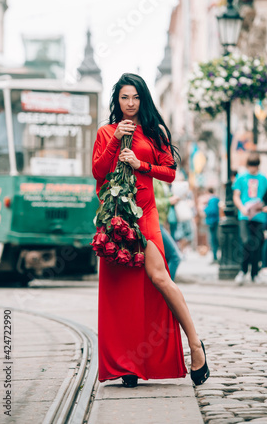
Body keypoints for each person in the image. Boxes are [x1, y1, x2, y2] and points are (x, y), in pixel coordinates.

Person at [92, 73, 209, 388]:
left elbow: (170, 173)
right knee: (123, 290)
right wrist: (116, 140)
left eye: (136, 98)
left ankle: (196, 346)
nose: (130, 104)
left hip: (145, 214)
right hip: (116, 217)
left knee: (159, 278)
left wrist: (141, 165)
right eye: (124, 98)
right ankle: (128, 363)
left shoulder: (154, 132)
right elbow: (98, 171)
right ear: (116, 101)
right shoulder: (106, 132)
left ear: (143, 99)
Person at [233, 153, 267, 285]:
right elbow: (236, 195)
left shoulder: (263, 179)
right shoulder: (241, 178)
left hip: (259, 216)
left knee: (257, 244)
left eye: (255, 166)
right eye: (251, 166)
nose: (253, 169)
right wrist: (242, 208)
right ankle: (242, 271)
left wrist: (264, 207)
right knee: (246, 241)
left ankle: (255, 273)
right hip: (245, 216)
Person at [153, 179, 182, 281]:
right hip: (155, 222)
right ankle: (167, 290)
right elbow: (150, 201)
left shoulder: (162, 179)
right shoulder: (153, 179)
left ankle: (164, 291)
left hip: (161, 222)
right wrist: (169, 201)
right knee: (175, 257)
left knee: (169, 258)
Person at [203, 188, 220, 263]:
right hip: (214, 221)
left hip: (212, 221)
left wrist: (205, 209)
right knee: (213, 240)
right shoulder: (215, 199)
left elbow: (212, 210)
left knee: (213, 240)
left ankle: (215, 257)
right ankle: (215, 256)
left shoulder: (212, 200)